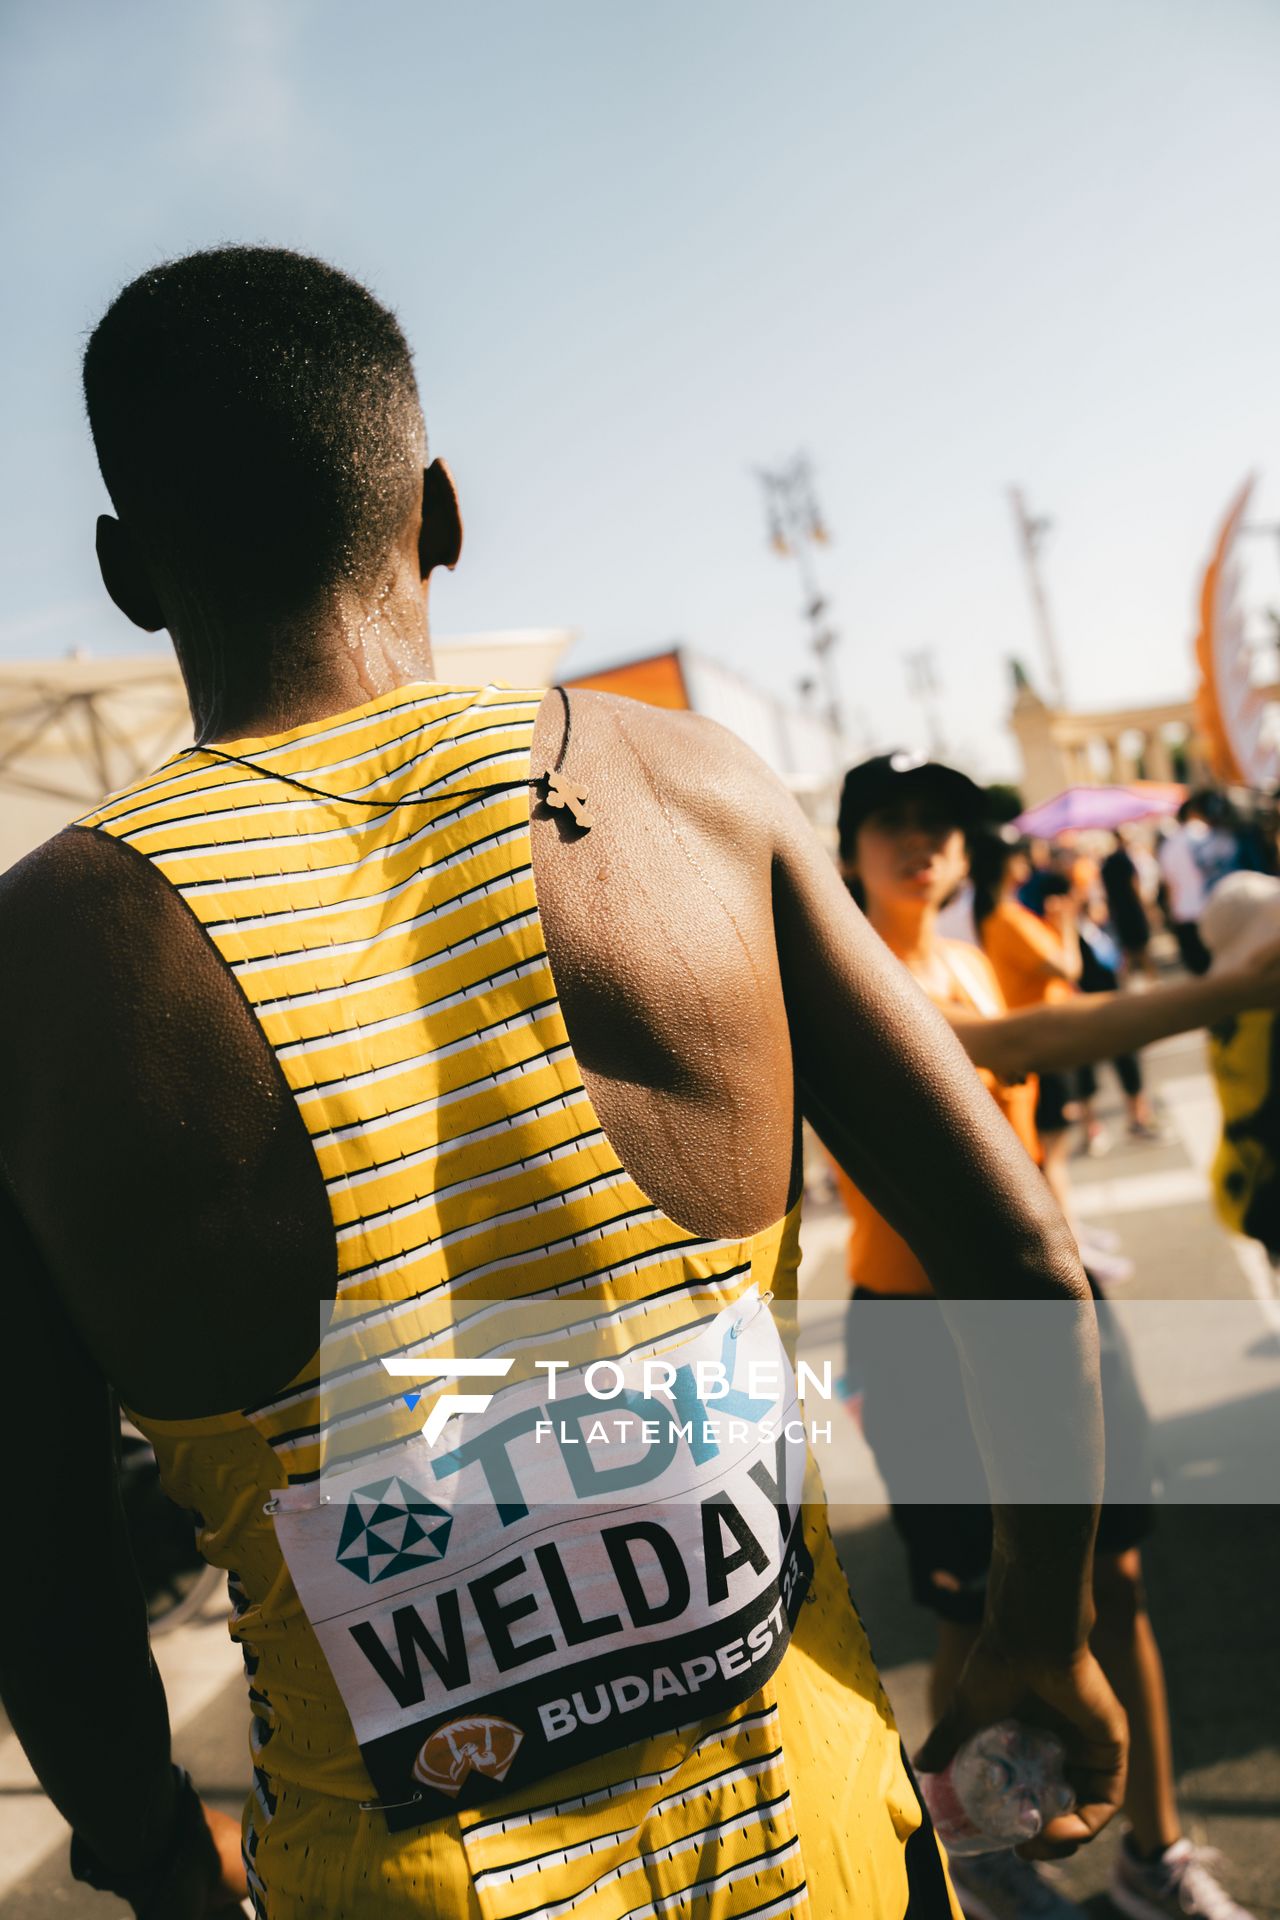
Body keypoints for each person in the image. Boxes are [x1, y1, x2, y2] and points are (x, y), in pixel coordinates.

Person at [0, 249, 1133, 1920]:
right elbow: (1024, 1260)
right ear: (438, 509)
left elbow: (36, 1550)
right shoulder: (695, 800)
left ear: (126, 573)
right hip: (822, 1856)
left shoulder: (41, 973)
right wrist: (1040, 1629)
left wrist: (162, 1864)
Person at [833, 751, 1266, 1920]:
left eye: (942, 822)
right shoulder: (854, 976)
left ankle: (1153, 1856)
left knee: (1114, 1583)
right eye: (893, 821)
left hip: (1052, 1307)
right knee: (970, 1611)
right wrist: (1231, 991)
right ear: (848, 848)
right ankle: (983, 1868)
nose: (921, 840)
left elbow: (1057, 1009)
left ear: (971, 848)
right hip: (920, 1330)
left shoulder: (978, 950)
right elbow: (1020, 1051)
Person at [972, 833, 1081, 1221]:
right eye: (1018, 856)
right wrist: (1065, 923)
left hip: (1034, 1040)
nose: (1026, 863)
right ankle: (1071, 1246)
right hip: (1043, 1041)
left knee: (1048, 1154)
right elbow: (1069, 967)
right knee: (1053, 1156)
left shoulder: (996, 915)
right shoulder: (1008, 918)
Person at [1157, 802, 1213, 975]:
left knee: (1201, 974)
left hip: (1184, 914)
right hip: (1212, 908)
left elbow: (1168, 885)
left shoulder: (1169, 846)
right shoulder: (1207, 835)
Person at [1101, 832, 1156, 982]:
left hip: (1118, 912)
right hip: (1132, 909)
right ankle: (1153, 983)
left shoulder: (1105, 865)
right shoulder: (1125, 860)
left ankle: (1127, 986)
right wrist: (1146, 908)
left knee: (1127, 952)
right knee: (1143, 950)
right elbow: (1135, 886)